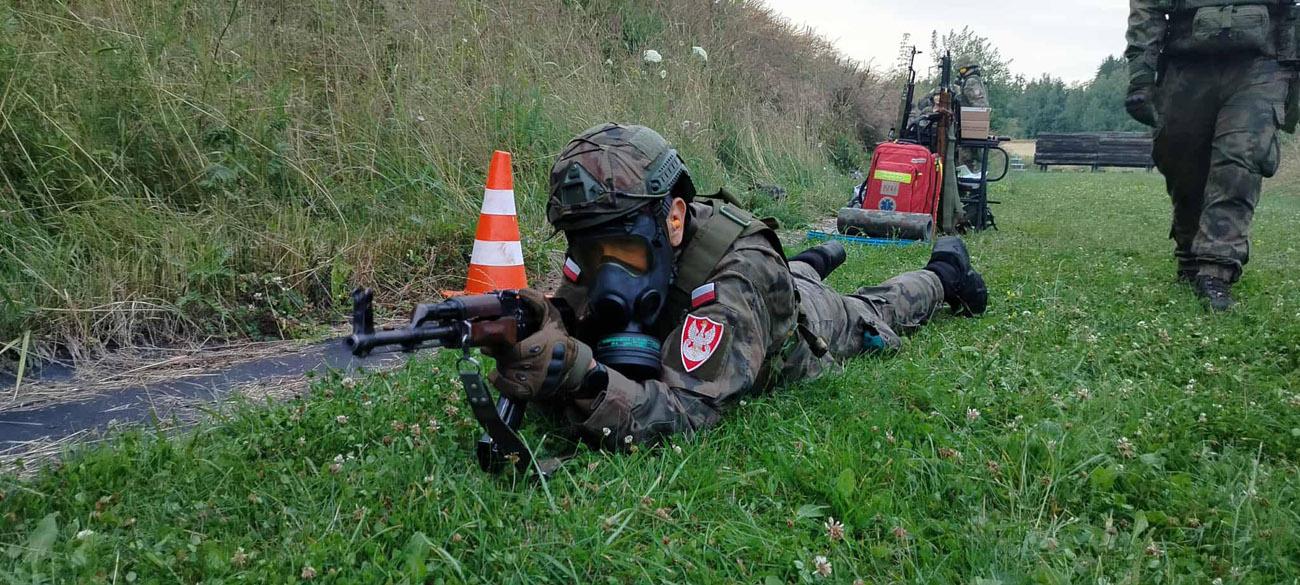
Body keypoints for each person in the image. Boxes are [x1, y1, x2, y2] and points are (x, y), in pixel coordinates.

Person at [486, 123, 988, 449]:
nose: (605, 273)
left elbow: (690, 410)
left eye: (624, 251)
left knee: (870, 308)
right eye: (587, 251)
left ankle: (943, 271)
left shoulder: (738, 276)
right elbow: (571, 313)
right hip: (764, 282)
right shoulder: (603, 242)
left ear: (674, 220)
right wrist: (540, 325)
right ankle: (813, 260)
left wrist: (583, 375)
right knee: (794, 272)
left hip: (799, 322)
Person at [1125, 0, 1297, 310]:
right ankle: (1190, 254)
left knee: (1241, 155)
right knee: (1181, 159)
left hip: (1263, 61)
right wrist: (1140, 74)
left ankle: (1216, 267)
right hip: (1185, 57)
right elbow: (1147, 6)